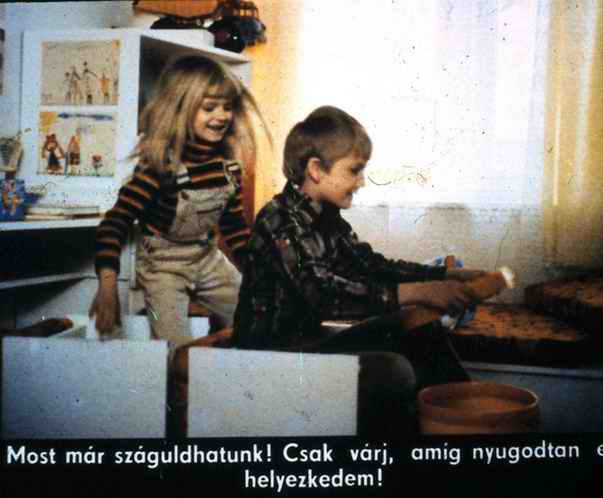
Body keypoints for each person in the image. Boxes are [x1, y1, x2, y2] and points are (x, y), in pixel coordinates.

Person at [231, 106, 487, 435]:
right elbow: (321, 293)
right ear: (316, 169)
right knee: (393, 371)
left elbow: (369, 265)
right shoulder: (279, 220)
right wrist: (419, 292)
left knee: (421, 326)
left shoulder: (327, 217)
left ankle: (471, 423)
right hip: (269, 362)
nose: (362, 181)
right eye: (354, 170)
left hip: (306, 348)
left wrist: (443, 277)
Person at [91, 54, 267, 348]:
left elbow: (235, 227)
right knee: (175, 348)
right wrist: (107, 286)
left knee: (255, 320)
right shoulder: (159, 169)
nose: (222, 115)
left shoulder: (227, 169)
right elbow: (114, 224)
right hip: (162, 268)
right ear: (180, 109)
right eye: (209, 107)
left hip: (207, 259)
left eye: (227, 107)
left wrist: (257, 274)